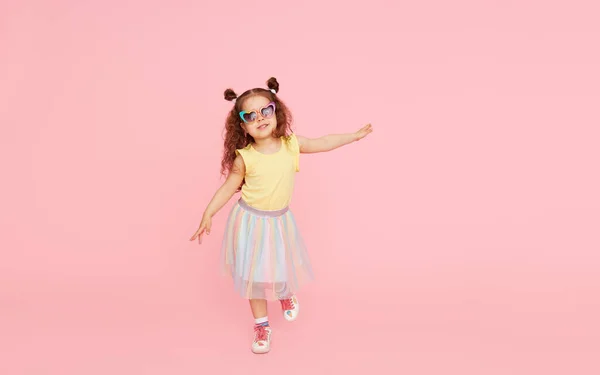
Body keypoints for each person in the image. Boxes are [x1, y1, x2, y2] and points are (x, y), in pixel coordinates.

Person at [189, 77, 373, 354]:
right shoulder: (244, 157)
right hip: (249, 222)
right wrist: (208, 213)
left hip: (278, 221)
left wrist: (352, 137)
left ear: (277, 111)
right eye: (249, 116)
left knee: (277, 266)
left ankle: (285, 294)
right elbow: (228, 187)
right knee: (252, 276)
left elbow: (323, 141)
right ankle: (261, 325)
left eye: (265, 111)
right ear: (243, 126)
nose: (259, 118)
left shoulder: (291, 145)